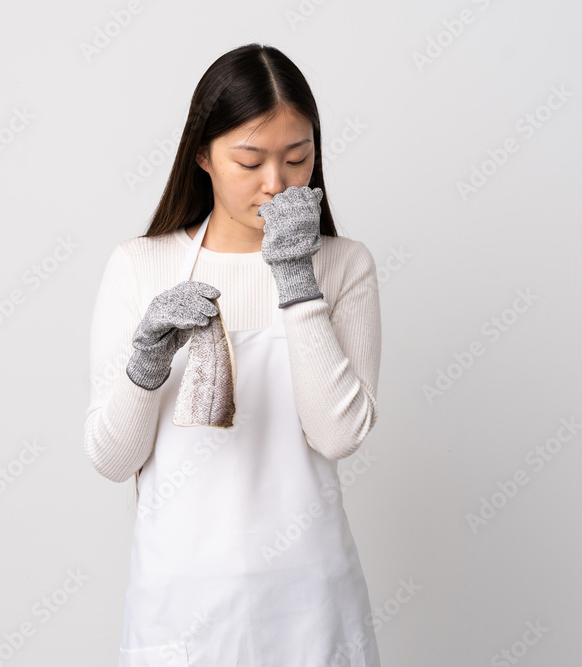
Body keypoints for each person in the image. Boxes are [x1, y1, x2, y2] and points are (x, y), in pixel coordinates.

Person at [84, 42, 383, 667]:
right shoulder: (142, 266)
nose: (276, 184)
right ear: (202, 154)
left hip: (310, 602)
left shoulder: (343, 264)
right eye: (249, 161)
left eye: (297, 159)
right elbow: (114, 461)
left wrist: (298, 281)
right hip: (182, 606)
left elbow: (337, 434)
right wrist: (144, 368)